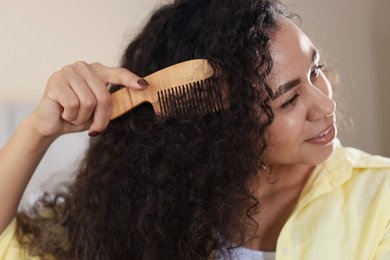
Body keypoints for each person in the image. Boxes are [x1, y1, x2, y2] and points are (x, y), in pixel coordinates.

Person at [0, 0, 389, 259]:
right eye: (288, 101)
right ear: (221, 129)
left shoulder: (378, 200)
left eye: (315, 70)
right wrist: (37, 130)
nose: (326, 103)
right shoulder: (137, 220)